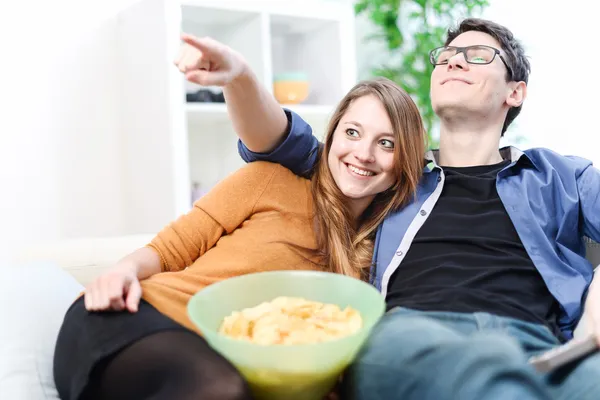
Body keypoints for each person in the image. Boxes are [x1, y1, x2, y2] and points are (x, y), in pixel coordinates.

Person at [176, 18, 600, 400]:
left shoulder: (561, 176)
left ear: (515, 91)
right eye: (448, 56)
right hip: (410, 338)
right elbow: (285, 139)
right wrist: (240, 78)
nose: (454, 62)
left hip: (543, 348)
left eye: (477, 55)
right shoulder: (387, 178)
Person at [52, 48, 427, 400]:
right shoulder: (270, 179)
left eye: (387, 144)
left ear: (403, 165)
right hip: (135, 319)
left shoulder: (377, 258)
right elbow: (168, 250)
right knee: (221, 388)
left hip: (221, 368)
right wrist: (121, 272)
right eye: (352, 132)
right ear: (332, 137)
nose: (363, 153)